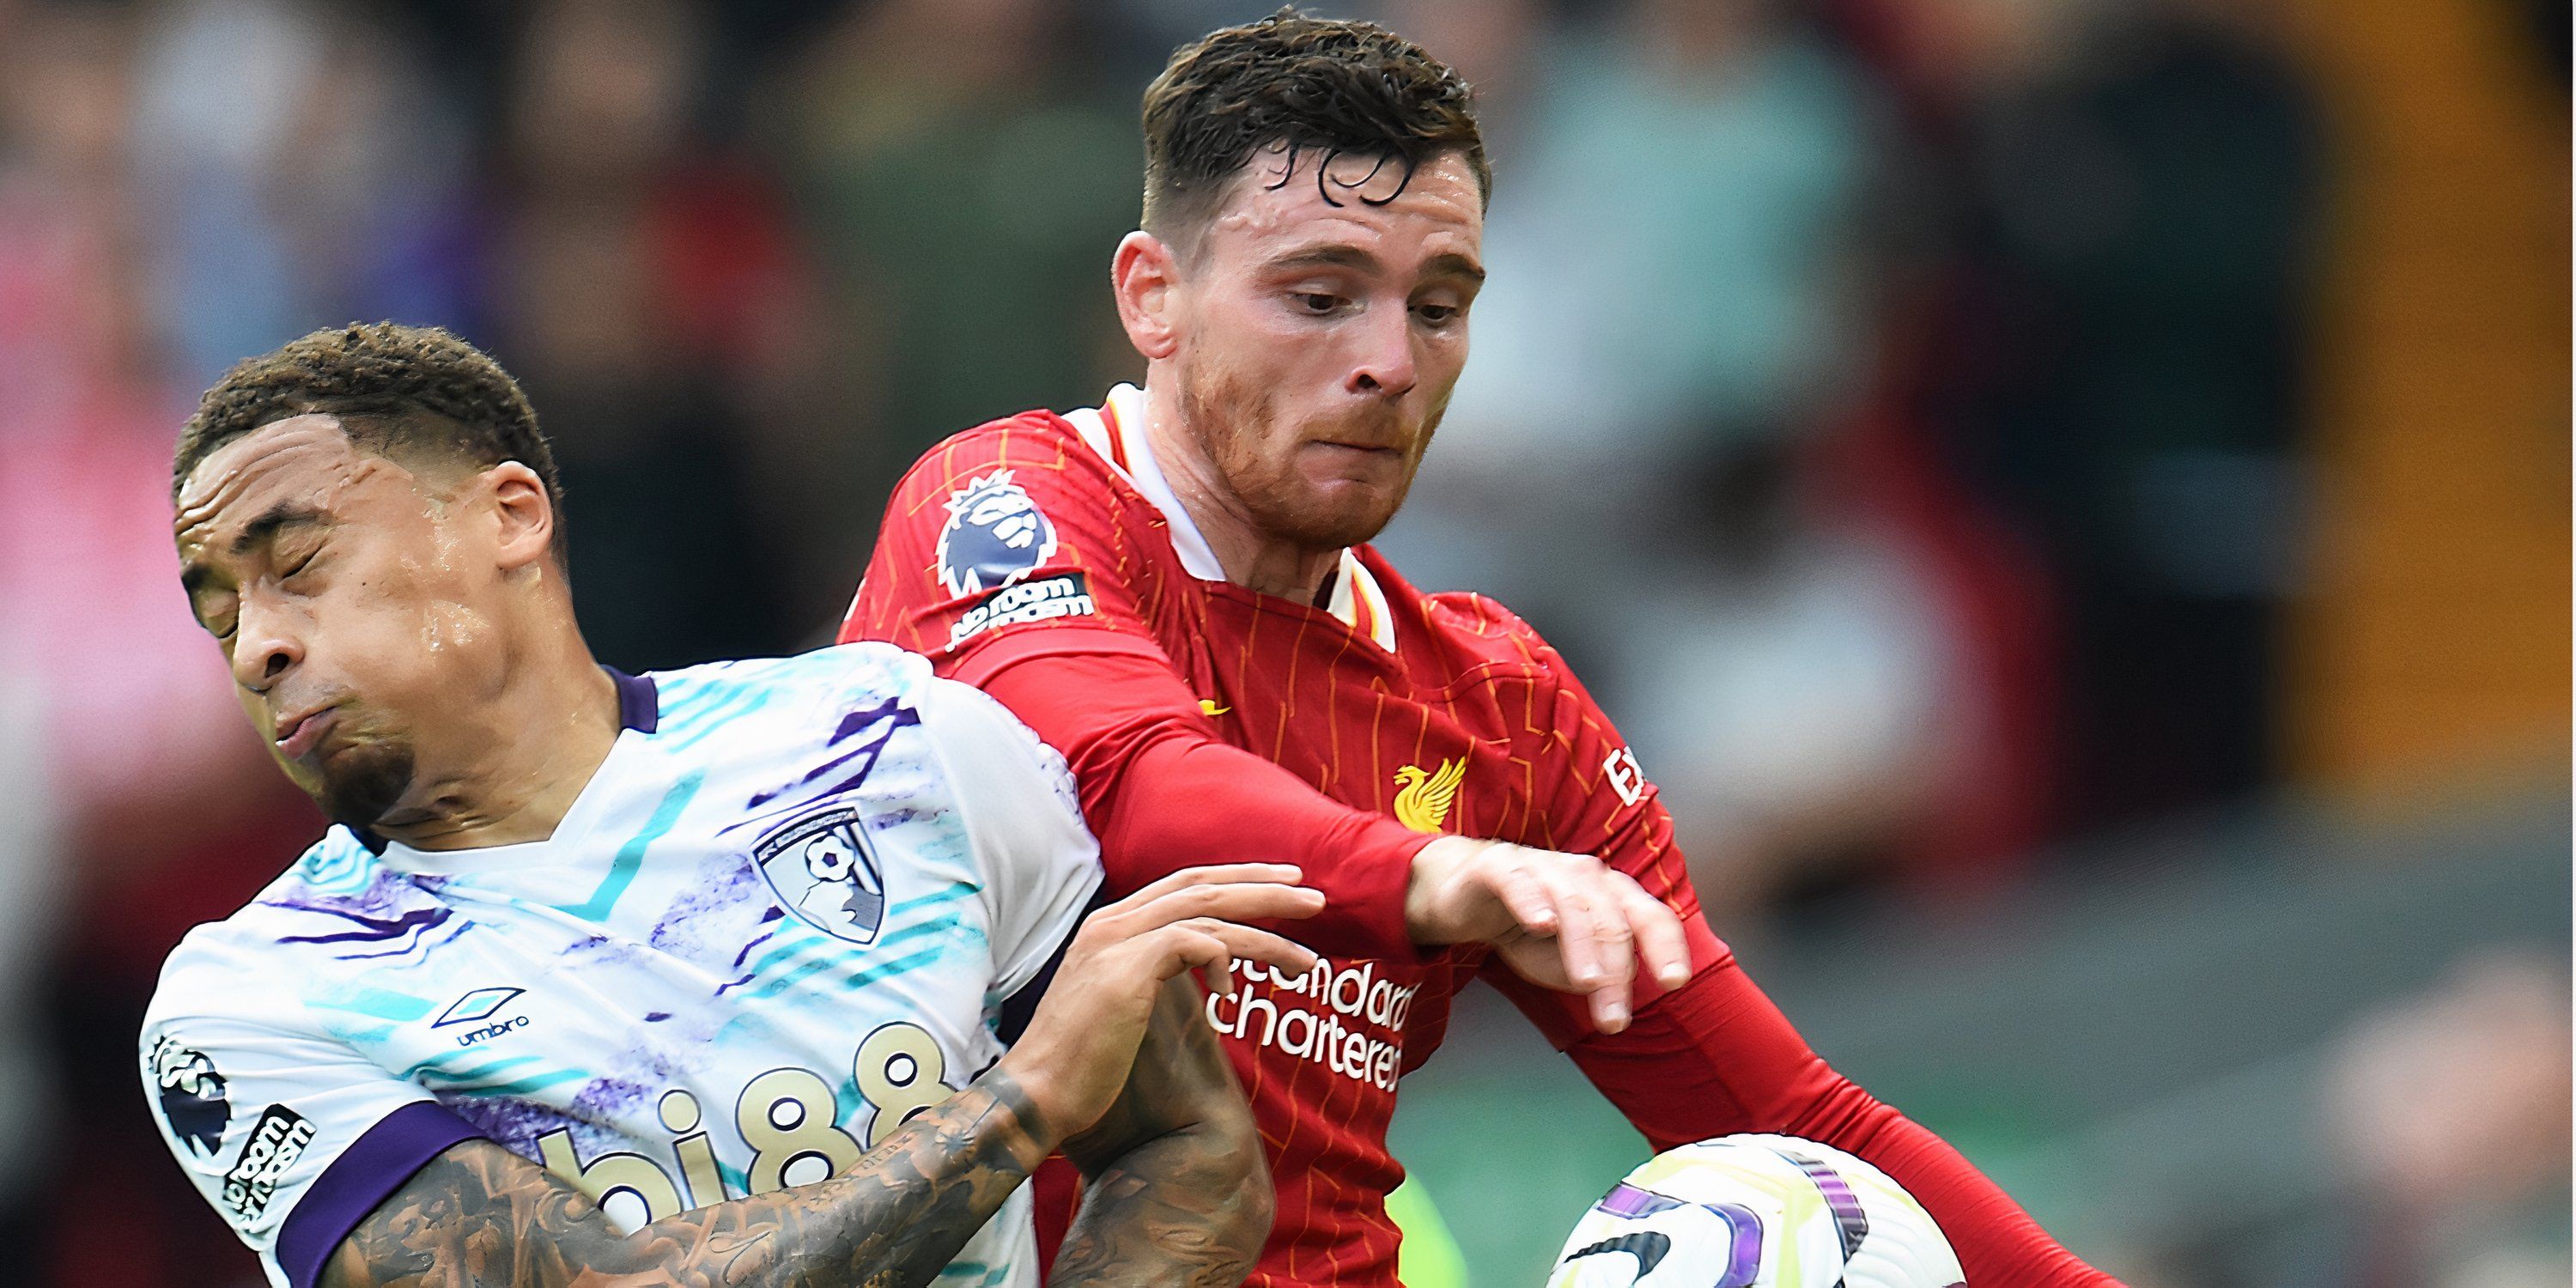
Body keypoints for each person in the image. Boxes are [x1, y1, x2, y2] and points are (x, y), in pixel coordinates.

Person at [840, 12, 2117, 1287]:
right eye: (1320, 297)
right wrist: (1433, 877)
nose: (1390, 364)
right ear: (1153, 296)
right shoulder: (1002, 504)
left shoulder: (1500, 704)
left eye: (1440, 307)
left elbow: (1794, 1122)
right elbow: (1135, 779)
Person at [144, 321, 1312, 1288]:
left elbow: (1187, 1143)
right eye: (221, 616)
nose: (258, 648)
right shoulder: (253, 1001)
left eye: (296, 566)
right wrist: (1022, 1101)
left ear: (510, 517)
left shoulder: (896, 743)